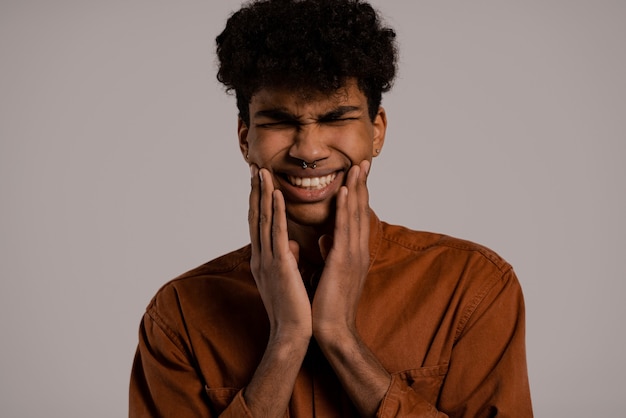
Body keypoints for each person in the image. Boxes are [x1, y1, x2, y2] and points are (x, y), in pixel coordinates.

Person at [129, 0, 533, 416]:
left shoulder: (472, 286)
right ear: (244, 138)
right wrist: (286, 342)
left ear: (376, 131)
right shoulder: (179, 315)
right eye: (279, 121)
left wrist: (340, 338)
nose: (309, 151)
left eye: (336, 118)